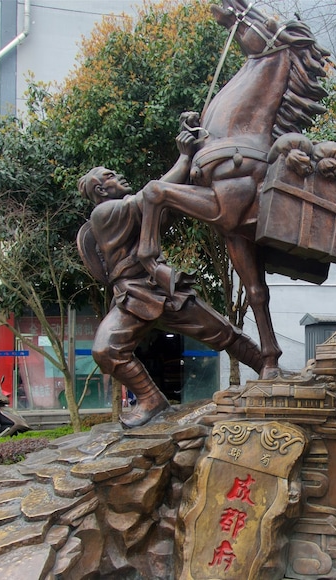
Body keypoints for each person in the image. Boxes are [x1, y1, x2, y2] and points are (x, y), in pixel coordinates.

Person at [77, 131, 263, 428]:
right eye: (110, 176)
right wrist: (184, 157)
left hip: (162, 290)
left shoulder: (128, 211)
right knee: (106, 350)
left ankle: (268, 368)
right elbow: (153, 194)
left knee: (222, 332)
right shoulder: (104, 213)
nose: (119, 176)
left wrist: (189, 160)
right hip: (132, 297)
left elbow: (161, 204)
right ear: (100, 190)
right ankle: (151, 399)